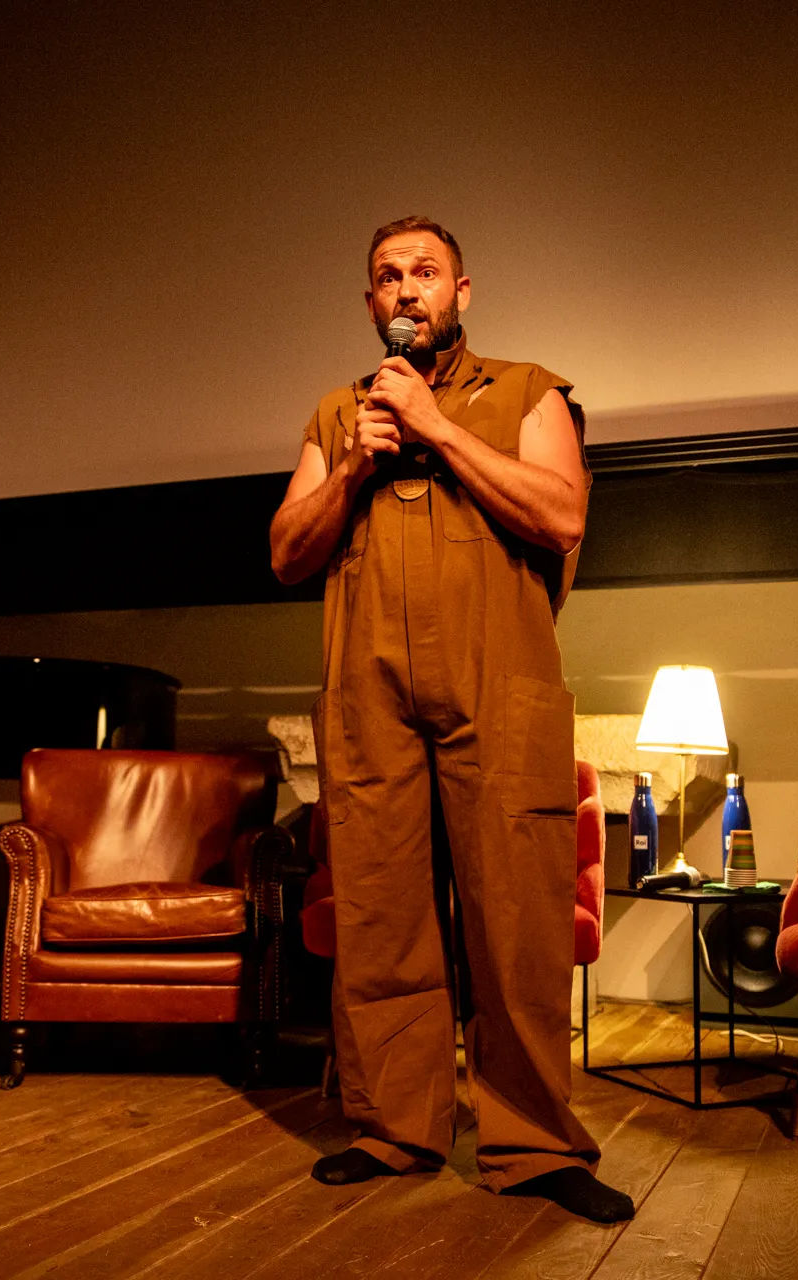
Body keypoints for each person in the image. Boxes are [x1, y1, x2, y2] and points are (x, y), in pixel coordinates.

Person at [269, 216, 633, 1224]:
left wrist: (435, 428)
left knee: (515, 917)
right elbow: (286, 552)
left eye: (424, 272)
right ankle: (396, 1127)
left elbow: (561, 515)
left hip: (499, 689)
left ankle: (534, 1144)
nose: (405, 289)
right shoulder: (341, 411)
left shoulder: (530, 391)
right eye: (387, 276)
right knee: (382, 911)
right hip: (369, 692)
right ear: (370, 302)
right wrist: (351, 468)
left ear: (462, 290)